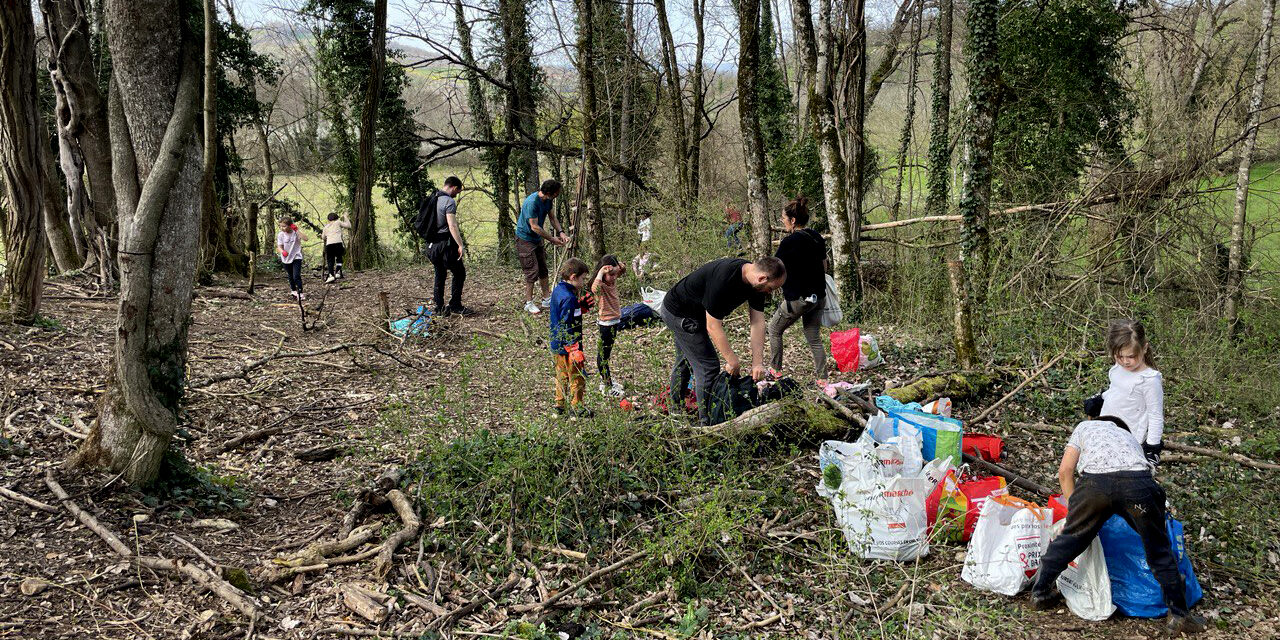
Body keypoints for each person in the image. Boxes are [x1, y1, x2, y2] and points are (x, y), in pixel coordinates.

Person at [1030, 415, 1205, 635]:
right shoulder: (1128, 437)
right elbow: (1141, 475)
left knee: (1071, 539)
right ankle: (1179, 615)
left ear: (1098, 420)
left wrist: (1076, 515)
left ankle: (1040, 593)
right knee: (1158, 549)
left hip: (1095, 486)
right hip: (1138, 487)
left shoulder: (1084, 426)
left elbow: (1065, 471)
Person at [660, 257, 787, 424]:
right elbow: (713, 326)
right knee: (707, 366)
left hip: (698, 313)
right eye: (771, 288)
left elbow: (757, 322)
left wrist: (757, 363)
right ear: (762, 278)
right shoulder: (724, 278)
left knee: (686, 359)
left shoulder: (755, 284)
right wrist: (731, 359)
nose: (770, 292)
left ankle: (675, 409)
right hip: (679, 312)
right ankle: (708, 423)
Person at [767, 196, 829, 382]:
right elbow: (824, 266)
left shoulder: (789, 242)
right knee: (814, 338)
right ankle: (823, 380)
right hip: (818, 297)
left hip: (799, 299)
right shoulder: (816, 237)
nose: (782, 221)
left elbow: (774, 268)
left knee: (774, 329)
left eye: (784, 218)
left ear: (793, 221)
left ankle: (774, 372)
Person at [1094, 319, 1165, 464]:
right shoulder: (1119, 368)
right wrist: (1101, 398)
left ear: (1144, 348)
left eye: (1131, 356)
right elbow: (1116, 389)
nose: (1125, 361)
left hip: (1129, 439)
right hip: (1106, 430)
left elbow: (1155, 415)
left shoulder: (1149, 380)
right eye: (1120, 356)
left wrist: (1152, 446)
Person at [516, 179, 569, 315]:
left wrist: (561, 232)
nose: (557, 195)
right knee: (531, 271)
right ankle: (529, 303)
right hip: (525, 239)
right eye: (556, 193)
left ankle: (546, 299)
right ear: (550, 193)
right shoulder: (532, 202)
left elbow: (552, 218)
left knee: (543, 269)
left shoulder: (548, 200)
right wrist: (552, 239)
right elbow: (534, 227)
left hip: (537, 239)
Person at [550, 258, 592, 418]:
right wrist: (574, 349)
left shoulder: (558, 290)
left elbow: (563, 315)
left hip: (557, 344)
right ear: (573, 277)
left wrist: (580, 308)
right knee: (577, 377)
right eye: (582, 278)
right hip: (569, 347)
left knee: (561, 376)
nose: (583, 282)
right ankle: (577, 408)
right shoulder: (569, 298)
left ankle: (559, 407)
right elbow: (567, 324)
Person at [427, 176, 472, 316]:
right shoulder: (448, 201)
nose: (456, 194)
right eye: (457, 192)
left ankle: (439, 307)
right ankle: (455, 306)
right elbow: (452, 225)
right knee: (459, 273)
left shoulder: (432, 198)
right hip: (445, 245)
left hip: (431, 245)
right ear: (453, 187)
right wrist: (460, 244)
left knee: (439, 274)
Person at [591, 255, 627, 396]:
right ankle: (607, 386)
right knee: (603, 356)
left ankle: (607, 381)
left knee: (607, 353)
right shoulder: (602, 286)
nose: (613, 277)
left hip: (614, 322)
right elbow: (594, 289)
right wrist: (601, 272)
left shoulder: (611, 281)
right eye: (610, 275)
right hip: (606, 323)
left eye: (614, 274)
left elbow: (622, 270)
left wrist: (617, 266)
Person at [276, 217, 306, 300]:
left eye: (284, 226)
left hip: (296, 256)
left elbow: (306, 238)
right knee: (290, 276)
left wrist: (297, 230)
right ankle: (293, 291)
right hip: (285, 258)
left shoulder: (295, 233)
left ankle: (300, 292)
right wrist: (282, 251)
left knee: (296, 275)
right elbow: (279, 247)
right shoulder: (280, 234)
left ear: (290, 226)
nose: (282, 228)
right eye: (281, 226)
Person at [322, 212, 351, 283]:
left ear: (329, 219)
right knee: (339, 257)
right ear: (336, 218)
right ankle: (337, 272)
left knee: (330, 260)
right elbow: (348, 225)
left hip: (329, 245)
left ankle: (331, 275)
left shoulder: (326, 227)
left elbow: (323, 237)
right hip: (338, 243)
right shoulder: (338, 222)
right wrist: (345, 217)